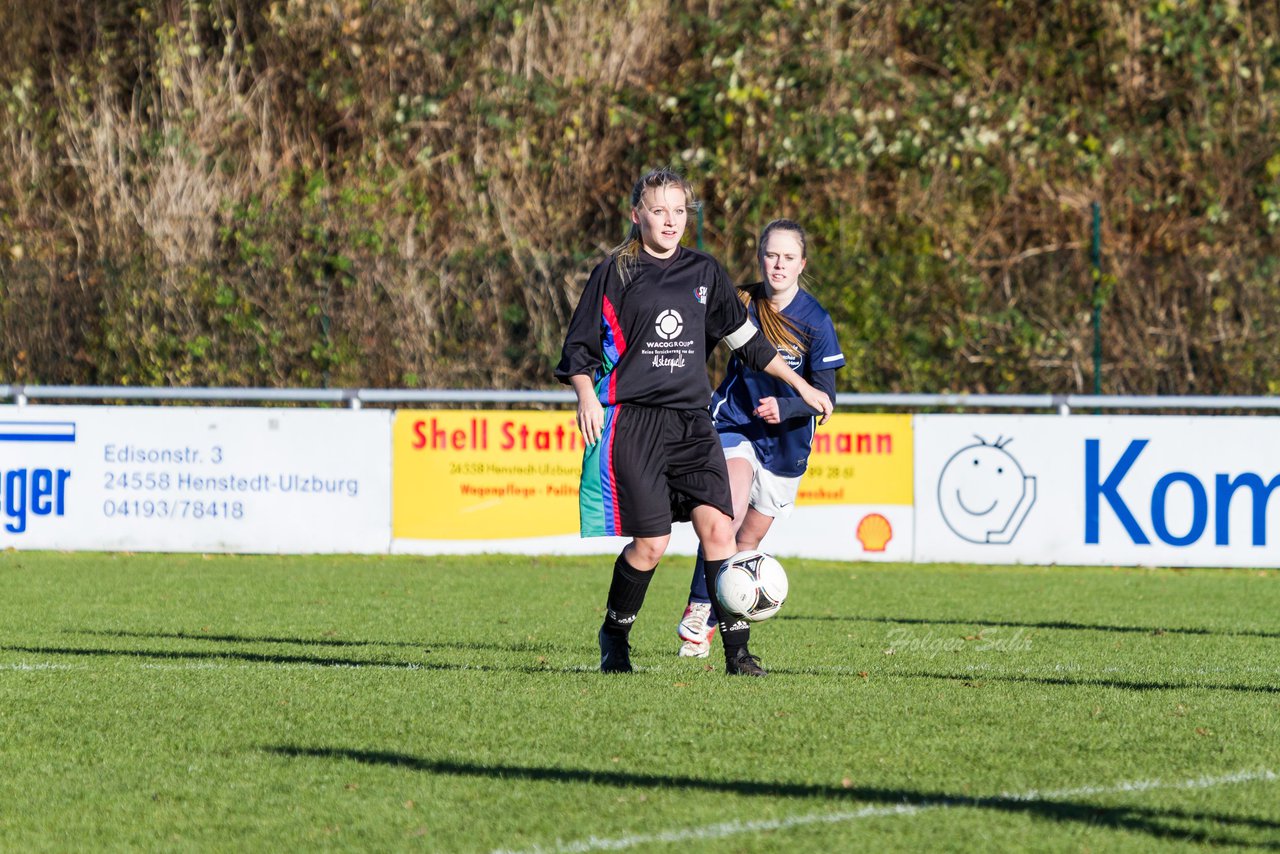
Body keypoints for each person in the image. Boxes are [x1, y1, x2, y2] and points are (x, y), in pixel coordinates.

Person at [556, 169, 832, 677]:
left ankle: (737, 654)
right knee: (651, 544)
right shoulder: (613, 272)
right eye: (659, 211)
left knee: (718, 530)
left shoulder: (705, 271)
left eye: (679, 211)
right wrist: (584, 397)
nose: (670, 221)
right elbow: (578, 349)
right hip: (634, 424)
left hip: (692, 424)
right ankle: (614, 635)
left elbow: (747, 341)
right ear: (637, 214)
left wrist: (801, 386)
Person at [675, 219, 845, 660]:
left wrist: (787, 408)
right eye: (771, 255)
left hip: (787, 446)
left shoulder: (816, 321)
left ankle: (717, 613)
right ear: (760, 257)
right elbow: (697, 348)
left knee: (747, 542)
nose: (779, 265)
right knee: (723, 516)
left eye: (789, 257)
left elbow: (825, 400)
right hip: (735, 423)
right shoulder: (740, 302)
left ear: (802, 263)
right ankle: (699, 607)